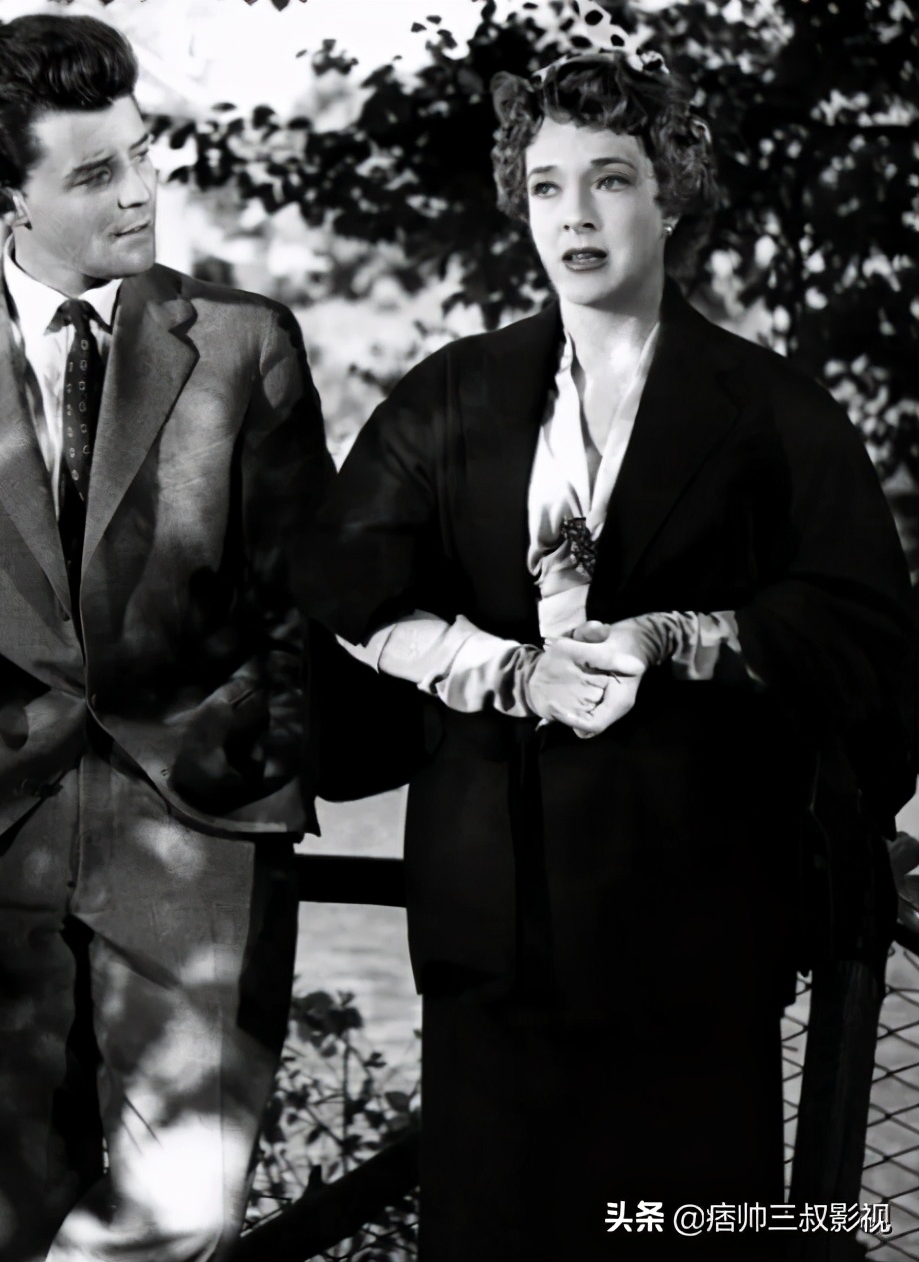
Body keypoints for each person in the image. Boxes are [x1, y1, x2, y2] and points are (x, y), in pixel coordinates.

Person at [292, 46, 915, 1262]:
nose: (574, 214)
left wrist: (671, 638)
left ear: (669, 192)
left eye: (610, 179)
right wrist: (497, 666)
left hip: (695, 923)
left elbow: (864, 624)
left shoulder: (770, 409)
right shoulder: (452, 395)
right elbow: (340, 583)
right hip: (490, 926)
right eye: (546, 185)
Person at [0, 15, 331, 1261]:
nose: (140, 189)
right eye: (97, 172)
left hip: (195, 827)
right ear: (9, 200)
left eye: (143, 153)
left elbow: (300, 598)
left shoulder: (245, 343)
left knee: (182, 1215)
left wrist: (263, 747)